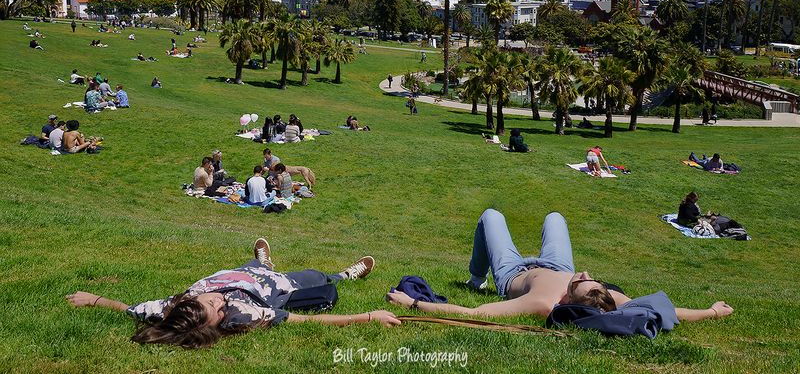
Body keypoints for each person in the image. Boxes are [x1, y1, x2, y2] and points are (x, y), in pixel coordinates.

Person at [386, 209, 733, 324]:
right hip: (555, 263)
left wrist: (413, 303)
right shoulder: (605, 298)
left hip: (514, 273)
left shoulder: (541, 304)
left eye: (578, 283)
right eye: (588, 278)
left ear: (568, 300)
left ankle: (477, 276)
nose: (583, 275)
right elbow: (664, 310)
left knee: (491, 216)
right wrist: (712, 311)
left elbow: (475, 312)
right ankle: (478, 273)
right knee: (555, 216)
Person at [66, 240, 390, 349]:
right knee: (320, 283)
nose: (217, 299)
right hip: (276, 286)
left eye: (207, 300)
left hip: (245, 271)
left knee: (252, 266)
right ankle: (346, 274)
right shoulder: (241, 315)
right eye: (215, 307)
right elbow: (301, 319)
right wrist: (367, 316)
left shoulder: (173, 307)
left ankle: (263, 261)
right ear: (219, 321)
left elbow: (129, 309)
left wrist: (95, 299)